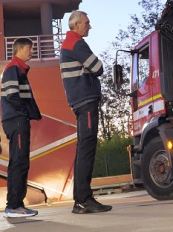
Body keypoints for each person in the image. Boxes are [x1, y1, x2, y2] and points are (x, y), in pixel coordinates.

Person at [60, 11, 112, 214]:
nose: (90, 26)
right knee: (86, 149)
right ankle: (83, 199)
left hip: (79, 101)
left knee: (84, 148)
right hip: (86, 99)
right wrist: (90, 68)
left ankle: (82, 199)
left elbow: (91, 67)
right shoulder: (77, 43)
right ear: (76, 25)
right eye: (87, 23)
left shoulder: (68, 44)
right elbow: (98, 68)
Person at [0, 37, 41, 218]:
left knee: (19, 161)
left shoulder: (17, 69)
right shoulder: (13, 68)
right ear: (21, 49)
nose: (32, 51)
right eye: (30, 48)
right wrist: (24, 114)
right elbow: (12, 95)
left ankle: (16, 205)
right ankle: (14, 206)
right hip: (17, 120)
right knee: (19, 162)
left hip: (17, 119)